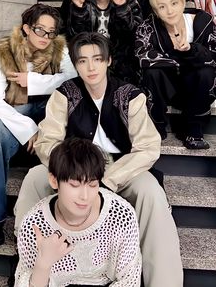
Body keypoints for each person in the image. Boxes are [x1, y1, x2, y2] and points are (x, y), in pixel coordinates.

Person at [14, 32, 183, 287]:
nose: (90, 67)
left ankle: (164, 282)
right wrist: (69, 169)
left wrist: (107, 179)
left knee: (150, 191)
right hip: (76, 166)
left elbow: (148, 147)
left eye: (97, 59)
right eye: (82, 61)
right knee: (35, 177)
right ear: (75, 64)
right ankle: (27, 268)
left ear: (108, 61)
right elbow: (47, 141)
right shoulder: (65, 94)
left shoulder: (130, 95)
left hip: (122, 167)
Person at [0, 3, 77, 247]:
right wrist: (31, 130)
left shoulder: (60, 49)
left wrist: (31, 81)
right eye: (39, 30)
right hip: (17, 117)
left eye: (51, 31)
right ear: (26, 28)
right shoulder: (4, 51)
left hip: (51, 112)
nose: (45, 37)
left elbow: (73, 81)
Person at [14, 137, 142, 286]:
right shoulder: (34, 224)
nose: (85, 197)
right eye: (74, 185)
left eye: (93, 185)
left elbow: (129, 280)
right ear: (54, 181)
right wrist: (43, 264)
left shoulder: (121, 215)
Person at [135, 0, 216, 148]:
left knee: (206, 72)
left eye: (174, 3)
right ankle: (157, 127)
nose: (170, 11)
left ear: (182, 3)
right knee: (152, 72)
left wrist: (191, 50)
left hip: (196, 89)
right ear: (156, 11)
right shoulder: (148, 26)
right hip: (166, 89)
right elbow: (142, 56)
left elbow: (213, 56)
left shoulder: (203, 21)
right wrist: (177, 61)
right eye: (162, 7)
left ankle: (194, 130)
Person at [60, 0, 142, 84]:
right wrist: (79, 10)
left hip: (121, 60)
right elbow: (76, 37)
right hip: (91, 58)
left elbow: (134, 35)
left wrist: (122, 8)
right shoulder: (79, 3)